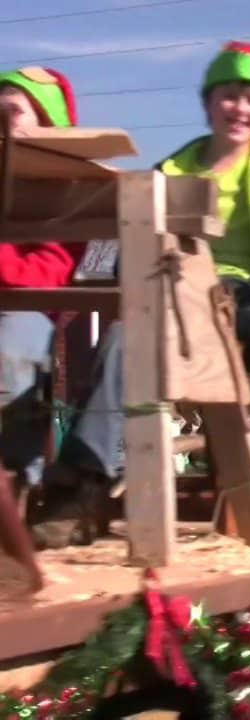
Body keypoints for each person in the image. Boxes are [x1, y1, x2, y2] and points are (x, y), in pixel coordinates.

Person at [28, 43, 250, 546]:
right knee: (123, 340)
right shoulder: (172, 171)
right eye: (229, 96)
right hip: (184, 296)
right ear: (209, 104)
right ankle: (83, 485)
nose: (240, 108)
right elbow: (129, 246)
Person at [0, 67, 85, 490]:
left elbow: (49, 270)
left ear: (45, 121)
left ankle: (16, 482)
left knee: (12, 346)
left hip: (27, 306)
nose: (2, 122)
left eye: (13, 112)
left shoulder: (71, 186)